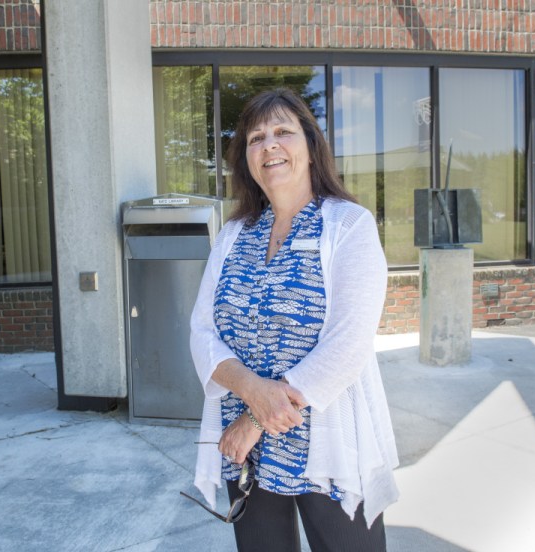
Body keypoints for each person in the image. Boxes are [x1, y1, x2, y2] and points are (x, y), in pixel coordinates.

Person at [186, 88, 399, 551]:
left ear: (310, 144)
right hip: (247, 452)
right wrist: (251, 393)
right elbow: (202, 333)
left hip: (327, 444)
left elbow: (349, 344)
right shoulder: (232, 235)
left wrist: (256, 417)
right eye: (256, 138)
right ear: (245, 159)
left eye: (283, 131)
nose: (270, 145)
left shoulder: (347, 226)